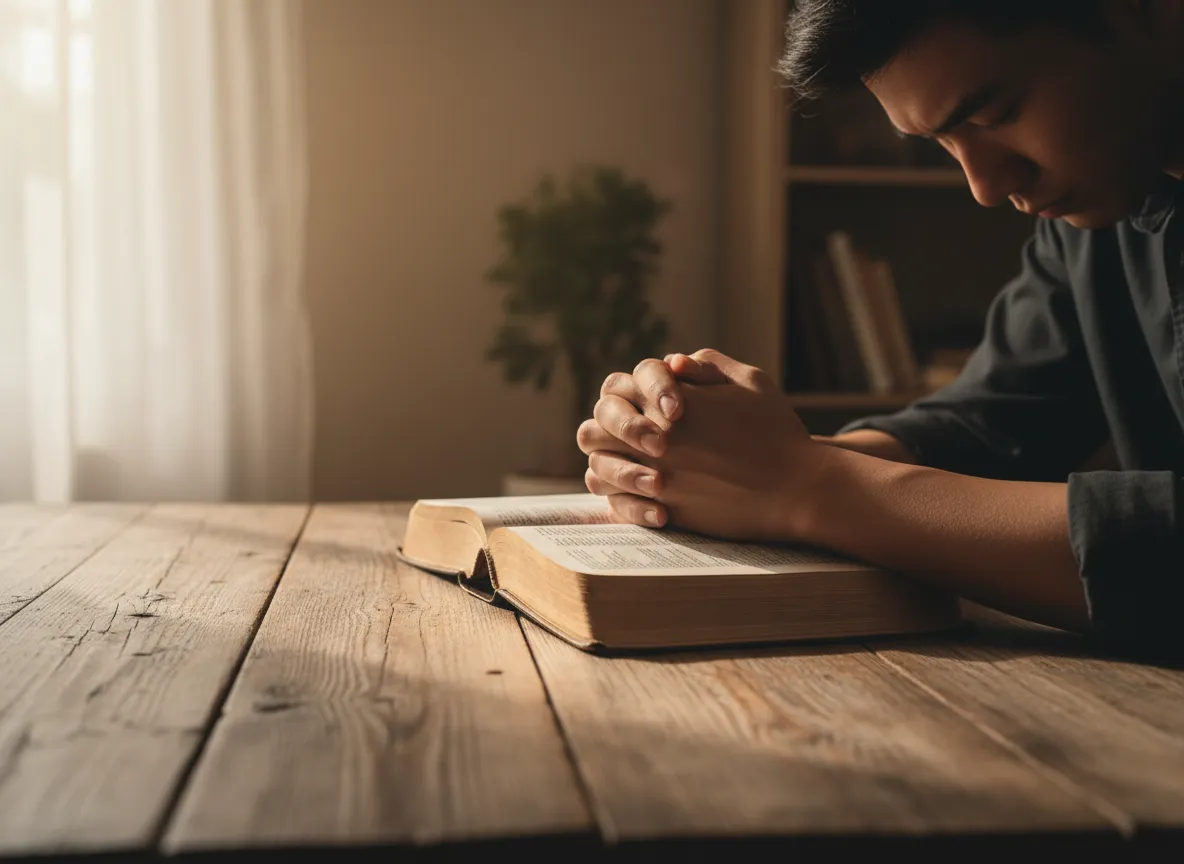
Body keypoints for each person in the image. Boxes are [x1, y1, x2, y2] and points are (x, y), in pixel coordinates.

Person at [575, 0, 1184, 664]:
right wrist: (723, 463)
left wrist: (808, 487)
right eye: (941, 142)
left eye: (993, 115)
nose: (983, 186)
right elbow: (993, 424)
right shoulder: (1099, 209)